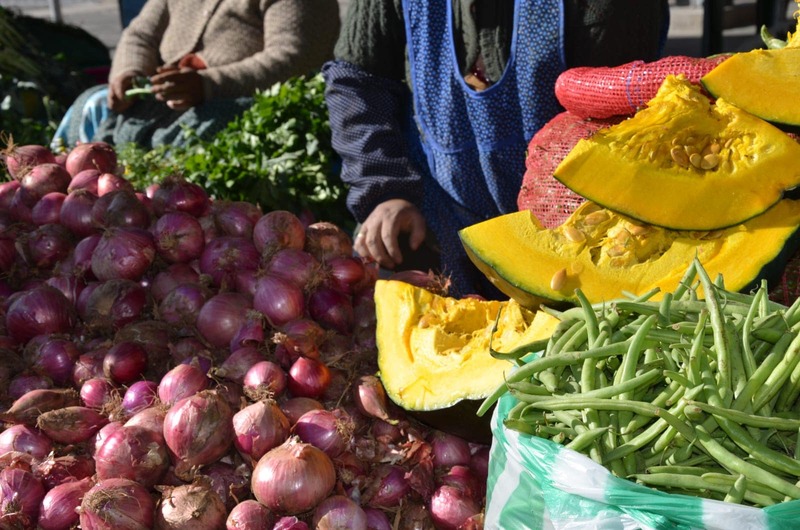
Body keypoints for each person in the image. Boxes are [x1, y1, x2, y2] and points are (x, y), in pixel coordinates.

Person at [323, 0, 670, 298]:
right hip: (433, 218)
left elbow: (621, 116)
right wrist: (385, 190)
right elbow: (360, 81)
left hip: (569, 234)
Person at [52, 0, 341, 150]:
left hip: (241, 100)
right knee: (94, 102)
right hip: (165, 95)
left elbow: (296, 57)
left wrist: (208, 84)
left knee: (201, 130)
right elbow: (140, 35)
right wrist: (130, 71)